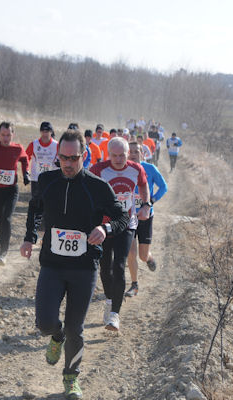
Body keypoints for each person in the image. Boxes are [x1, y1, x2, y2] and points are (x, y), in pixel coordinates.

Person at [20, 129, 129, 400]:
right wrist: (29, 238)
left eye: (73, 158)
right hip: (52, 265)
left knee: (75, 328)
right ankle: (55, 338)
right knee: (46, 323)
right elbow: (35, 208)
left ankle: (71, 379)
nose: (67, 164)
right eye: (63, 158)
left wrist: (105, 228)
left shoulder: (97, 186)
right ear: (58, 156)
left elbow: (121, 218)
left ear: (84, 156)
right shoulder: (47, 180)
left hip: (84, 267)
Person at [90, 137, 150, 331]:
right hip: (104, 226)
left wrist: (146, 204)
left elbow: (143, 185)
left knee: (119, 265)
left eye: (121, 155)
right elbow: (87, 190)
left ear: (128, 153)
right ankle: (109, 300)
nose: (118, 159)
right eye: (114, 155)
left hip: (127, 223)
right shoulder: (98, 170)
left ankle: (115, 315)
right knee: (105, 267)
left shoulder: (136, 169)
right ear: (108, 155)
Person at [125, 142, 167, 297]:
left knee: (142, 255)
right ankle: (134, 285)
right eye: (131, 151)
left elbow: (163, 187)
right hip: (128, 216)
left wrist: (152, 200)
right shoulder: (123, 170)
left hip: (145, 216)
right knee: (131, 253)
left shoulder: (150, 169)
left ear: (142, 154)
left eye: (137, 151)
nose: (134, 154)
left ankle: (149, 258)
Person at [0, 122, 29, 265]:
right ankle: (1, 242)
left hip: (11, 190)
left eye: (8, 135)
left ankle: (4, 251)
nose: (5, 138)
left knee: (7, 218)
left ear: (12, 135)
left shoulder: (18, 148)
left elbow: (25, 159)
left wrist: (25, 173)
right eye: (3, 135)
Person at [25, 121, 59, 237]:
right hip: (36, 179)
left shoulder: (56, 145)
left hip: (51, 180)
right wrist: (26, 171)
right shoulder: (34, 144)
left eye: (47, 131)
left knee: (49, 205)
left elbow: (63, 157)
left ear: (51, 132)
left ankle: (46, 230)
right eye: (43, 131)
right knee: (36, 204)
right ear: (40, 132)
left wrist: (60, 163)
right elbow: (26, 157)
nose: (45, 134)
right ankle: (37, 230)